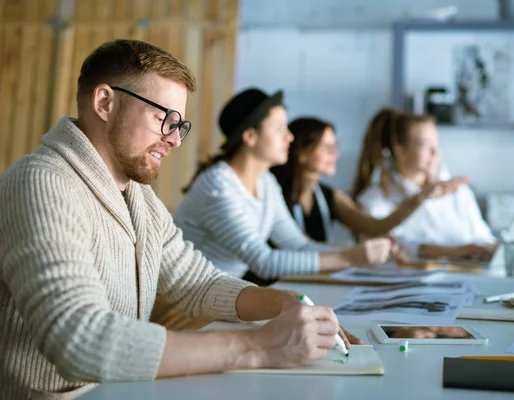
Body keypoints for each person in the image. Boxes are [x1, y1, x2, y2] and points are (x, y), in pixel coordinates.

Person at [0, 40, 361, 399]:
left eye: (180, 124)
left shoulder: (139, 196)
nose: (174, 140)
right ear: (105, 103)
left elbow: (196, 283)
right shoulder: (42, 183)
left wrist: (282, 303)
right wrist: (257, 346)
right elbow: (79, 340)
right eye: (163, 118)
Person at [174, 88, 396, 283]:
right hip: (181, 307)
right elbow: (263, 261)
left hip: (216, 296)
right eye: (279, 128)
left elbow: (298, 245)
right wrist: (351, 257)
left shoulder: (266, 182)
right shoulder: (218, 185)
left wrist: (359, 253)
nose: (290, 137)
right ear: (250, 137)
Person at [352, 108, 497, 261]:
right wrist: (458, 251)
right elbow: (389, 246)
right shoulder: (375, 199)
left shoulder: (458, 192)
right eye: (426, 145)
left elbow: (483, 237)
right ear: (400, 150)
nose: (435, 152)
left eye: (437, 143)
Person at [270, 117, 413, 253]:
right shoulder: (275, 194)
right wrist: (359, 252)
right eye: (326, 147)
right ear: (301, 153)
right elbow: (300, 245)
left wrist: (417, 200)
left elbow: (373, 226)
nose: (335, 153)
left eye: (335, 146)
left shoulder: (329, 195)